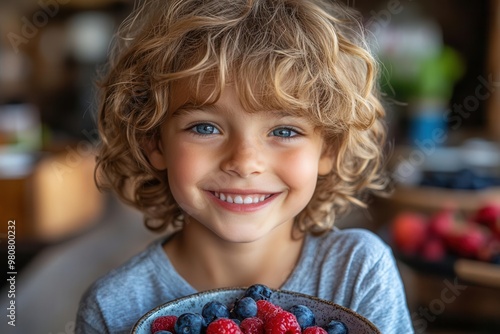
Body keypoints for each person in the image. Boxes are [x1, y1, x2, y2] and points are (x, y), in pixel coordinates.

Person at [76, 0, 414, 332]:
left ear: (329, 149)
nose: (244, 162)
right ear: (154, 142)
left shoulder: (358, 272)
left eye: (284, 131)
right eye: (205, 127)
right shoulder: (112, 305)